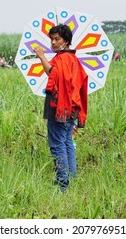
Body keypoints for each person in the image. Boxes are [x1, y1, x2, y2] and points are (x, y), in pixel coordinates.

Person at [34, 24, 88, 192]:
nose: (54, 42)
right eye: (52, 39)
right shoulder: (73, 59)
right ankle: (72, 179)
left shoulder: (63, 59)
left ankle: (62, 184)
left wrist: (41, 56)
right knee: (67, 144)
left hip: (60, 108)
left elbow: (53, 74)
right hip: (71, 108)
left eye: (57, 39)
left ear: (66, 41)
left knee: (58, 145)